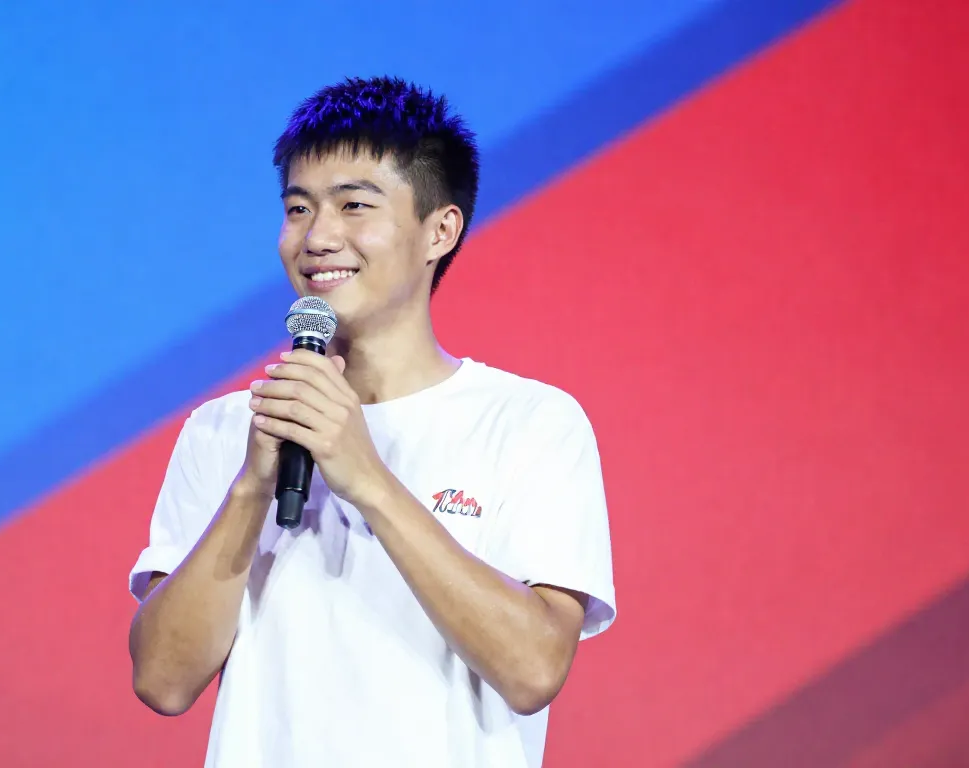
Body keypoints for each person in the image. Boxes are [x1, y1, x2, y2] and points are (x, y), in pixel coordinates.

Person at [127, 76, 616, 768]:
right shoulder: (222, 430)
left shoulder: (531, 424)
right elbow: (163, 681)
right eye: (298, 209)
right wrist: (251, 488)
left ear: (440, 230)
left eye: (354, 205)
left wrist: (368, 479)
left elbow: (534, 670)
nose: (318, 237)